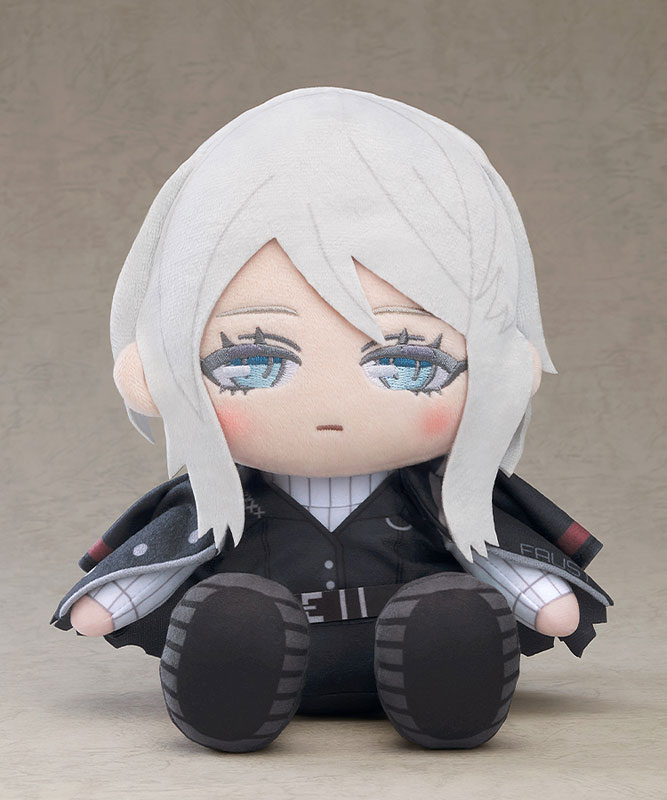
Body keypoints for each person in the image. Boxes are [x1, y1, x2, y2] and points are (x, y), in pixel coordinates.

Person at [52, 87, 611, 753]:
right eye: (251, 361)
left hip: (418, 659)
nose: (329, 404)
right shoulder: (216, 503)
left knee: (452, 613)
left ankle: (447, 681)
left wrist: (538, 596)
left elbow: (519, 578)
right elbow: (139, 580)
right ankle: (230, 682)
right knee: (233, 614)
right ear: (154, 372)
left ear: (502, 370)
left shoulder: (442, 499)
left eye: (409, 363)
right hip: (255, 658)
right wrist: (113, 601)